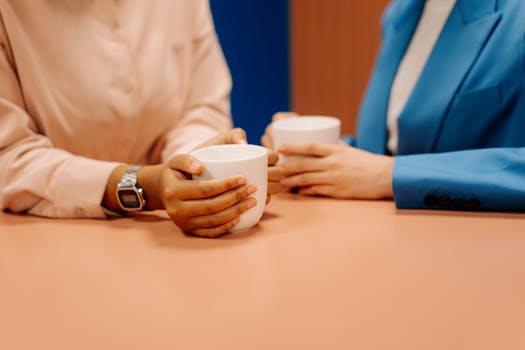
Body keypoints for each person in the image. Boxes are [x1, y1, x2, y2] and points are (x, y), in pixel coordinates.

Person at [0, 0, 283, 237]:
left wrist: (196, 173)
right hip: (46, 241)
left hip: (171, 242)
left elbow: (200, 107)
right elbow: (9, 157)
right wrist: (144, 186)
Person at [263, 0, 525, 211]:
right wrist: (316, 152)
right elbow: (389, 151)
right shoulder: (400, 12)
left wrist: (390, 176)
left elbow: (386, 170)